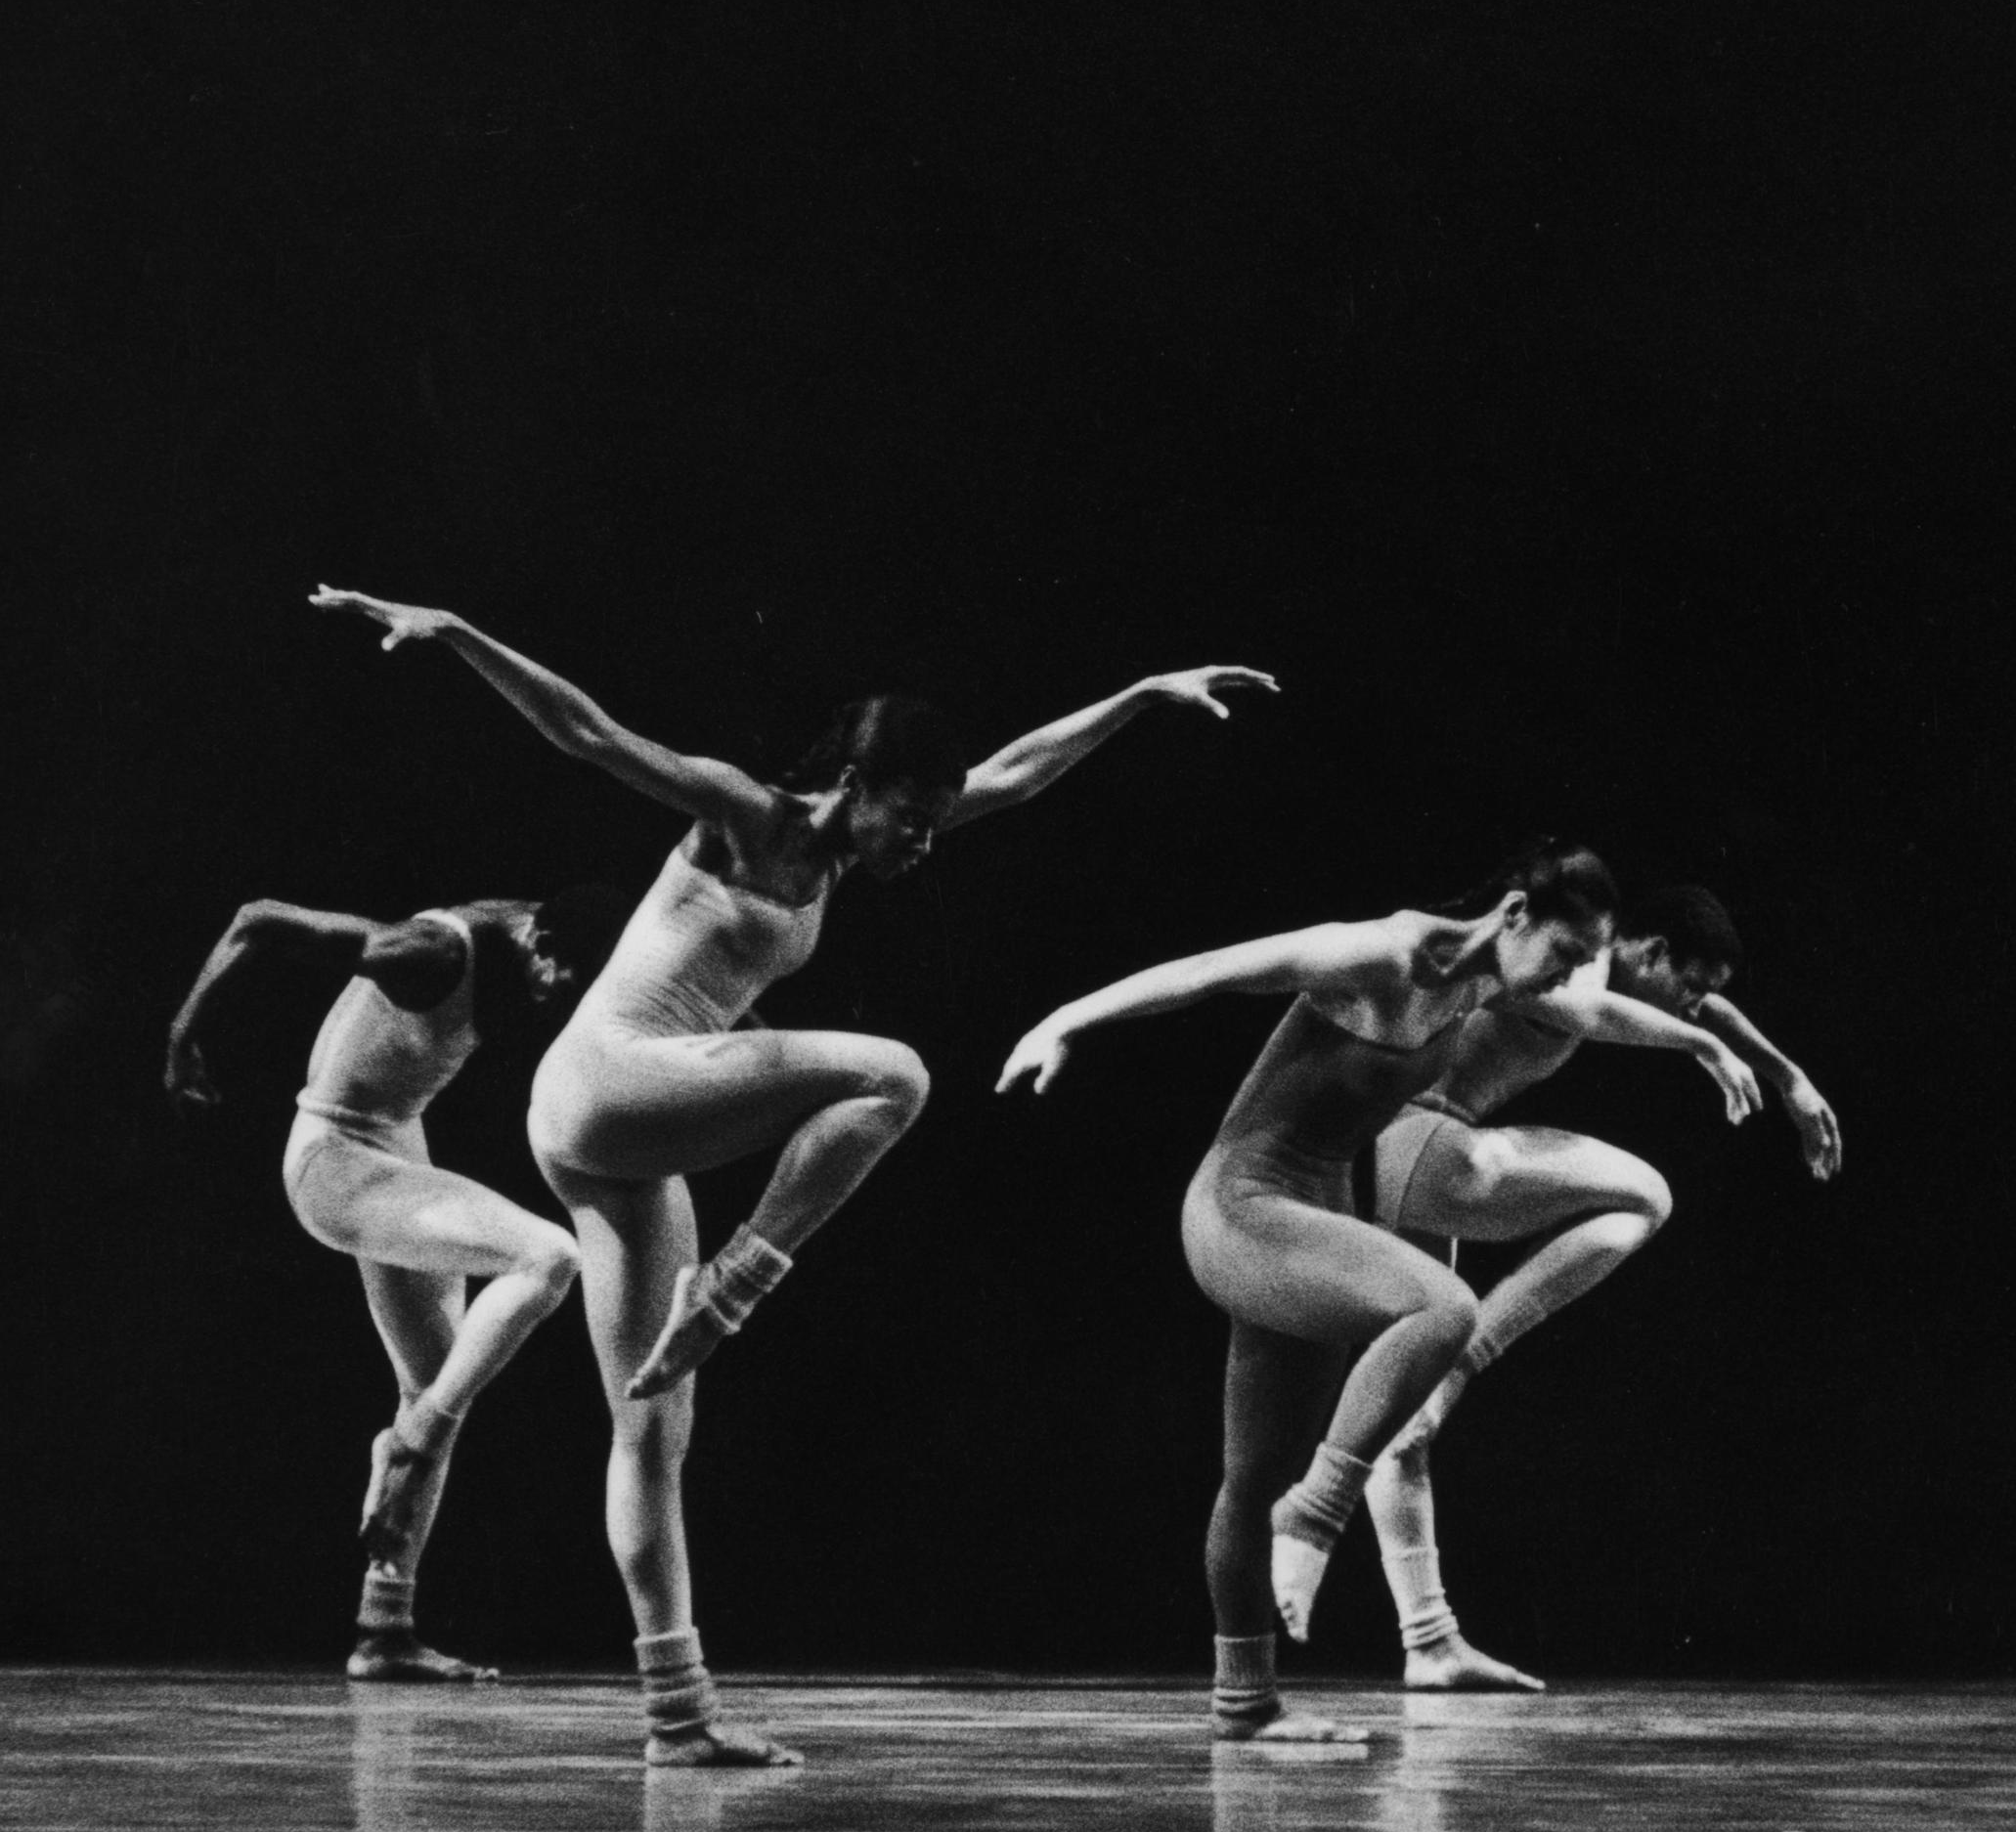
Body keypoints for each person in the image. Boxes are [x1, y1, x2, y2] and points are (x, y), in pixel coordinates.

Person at [314, 584, 1273, 1765]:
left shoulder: (865, 843)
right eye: (908, 818)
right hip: (614, 1077)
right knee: (896, 1074)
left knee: (653, 1427)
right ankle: (732, 1287)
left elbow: (1018, 775)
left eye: (930, 822)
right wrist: (455, 634)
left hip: (621, 1131)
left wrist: (1138, 696)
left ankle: (678, 1714)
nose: (921, 842)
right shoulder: (748, 814)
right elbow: (592, 732)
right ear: (854, 789)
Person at [995, 846, 1621, 1744]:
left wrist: (1722, 1044)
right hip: (1241, 1207)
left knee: (1251, 1476)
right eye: (1567, 950)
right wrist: (1066, 1020)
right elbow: (1210, 972)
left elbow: (1608, 1013)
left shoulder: (1487, 984)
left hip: (1315, 1213)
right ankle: (1318, 1513)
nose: (1570, 976)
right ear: (1515, 912)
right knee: (1443, 1307)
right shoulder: (1382, 956)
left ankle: (1244, 1701)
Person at [1361, 883, 1842, 1690]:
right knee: (1646, 1194)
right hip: (1431, 1144)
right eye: (1686, 986)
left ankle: (1428, 1638)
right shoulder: (1570, 967)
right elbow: (1594, 1013)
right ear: (1646, 950)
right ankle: (1470, 1355)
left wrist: (1786, 1074)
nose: (1695, 1008)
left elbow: (1712, 1013)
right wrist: (1703, 1050)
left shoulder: (1602, 967)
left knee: (1401, 1425)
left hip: (1400, 1158)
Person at [162, 879, 632, 1679]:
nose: (559, 1005)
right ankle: (416, 1442)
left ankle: (384, 1627)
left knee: (433, 1379)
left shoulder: (528, 939)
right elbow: (261, 919)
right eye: (567, 985)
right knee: (549, 1256)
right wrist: (184, 1033)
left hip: (392, 1149)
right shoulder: (434, 953)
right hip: (335, 1162)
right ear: (543, 945)